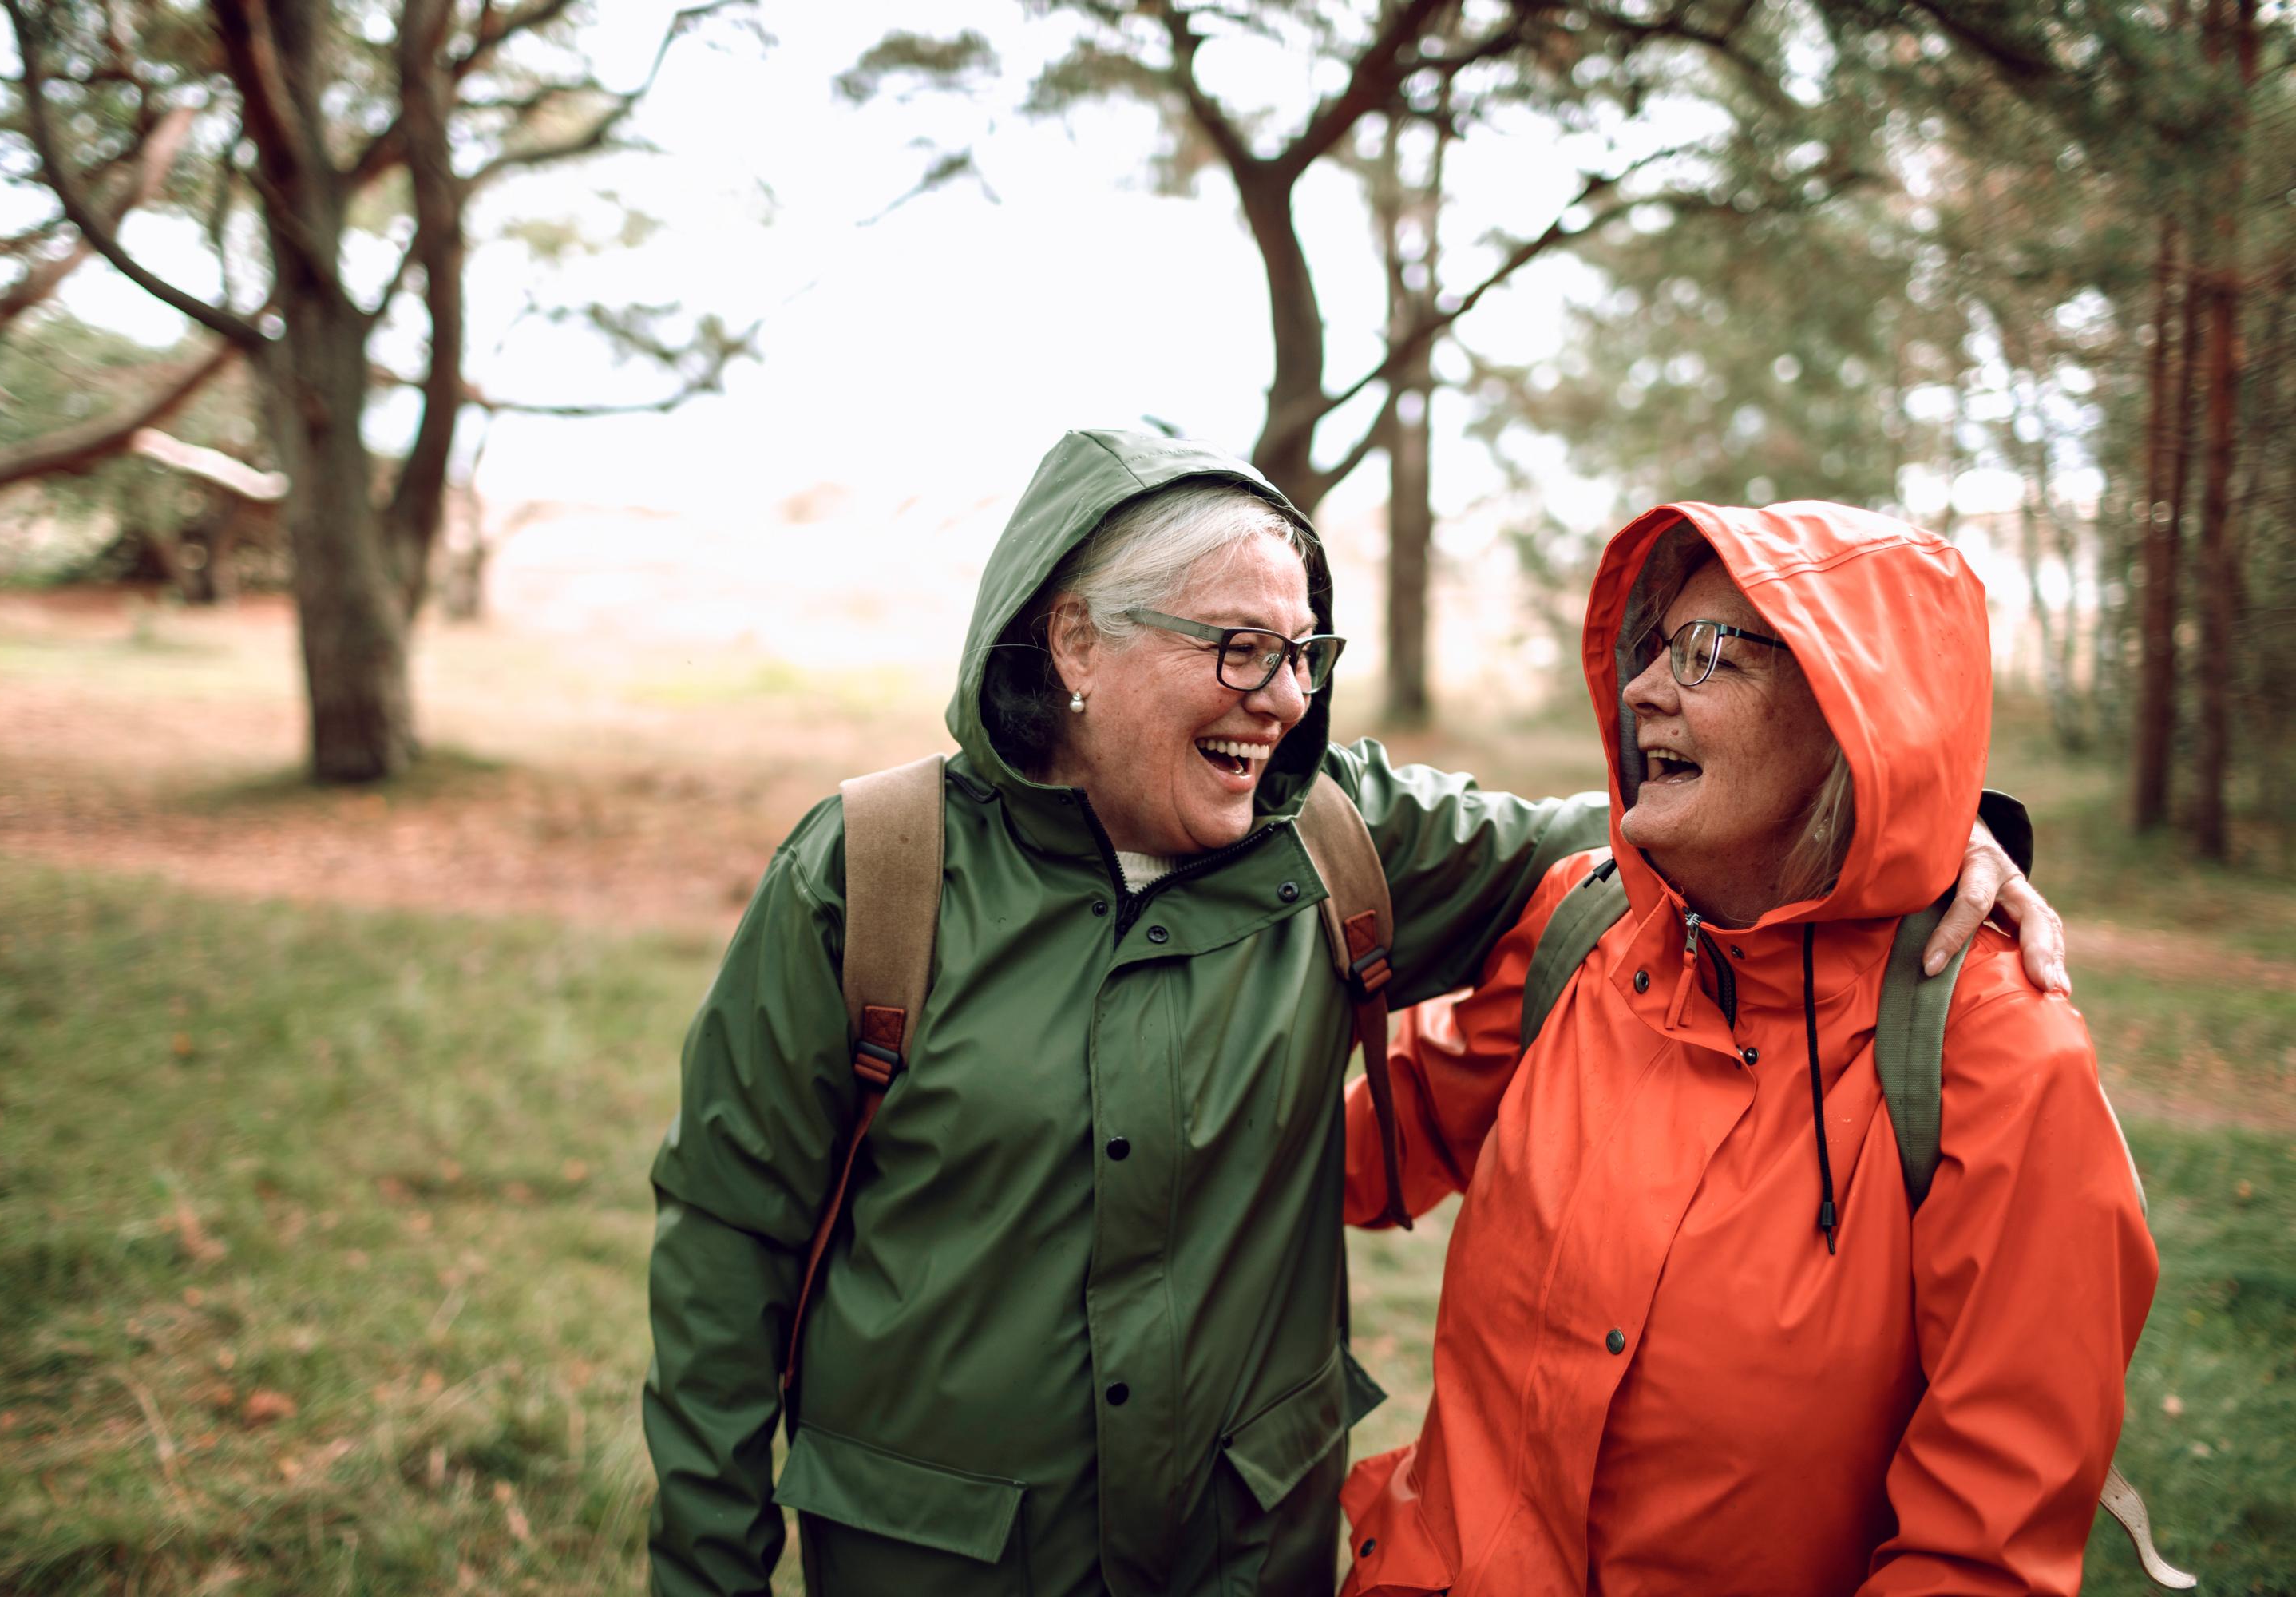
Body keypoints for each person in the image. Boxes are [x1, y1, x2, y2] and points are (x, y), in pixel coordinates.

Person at [643, 434, 2060, 1597]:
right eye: (1237, 648)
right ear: (1075, 640)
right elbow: (728, 1236)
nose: (1285, 698)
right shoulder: (873, 871)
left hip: (1241, 1557)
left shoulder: (1336, 839)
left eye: (1304, 651)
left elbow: (1670, 830)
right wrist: (709, 1564)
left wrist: (1933, 823)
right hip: (935, 1562)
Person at [1339, 501, 2155, 1596]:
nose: (1642, 692)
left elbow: (1979, 1560)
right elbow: (1357, 1154)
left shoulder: (2001, 1063)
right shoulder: (1577, 927)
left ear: (1858, 713)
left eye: (1709, 652)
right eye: (1654, 648)